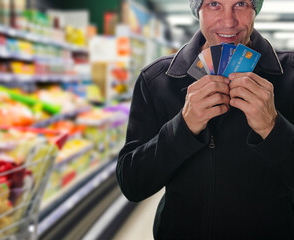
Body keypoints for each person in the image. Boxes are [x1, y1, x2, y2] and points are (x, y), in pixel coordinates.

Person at [116, 0, 294, 239]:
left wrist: (273, 128)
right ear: (197, 10)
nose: (229, 21)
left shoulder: (290, 74)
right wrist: (183, 127)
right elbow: (133, 184)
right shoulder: (157, 80)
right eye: (213, 4)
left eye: (240, 3)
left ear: (256, 9)